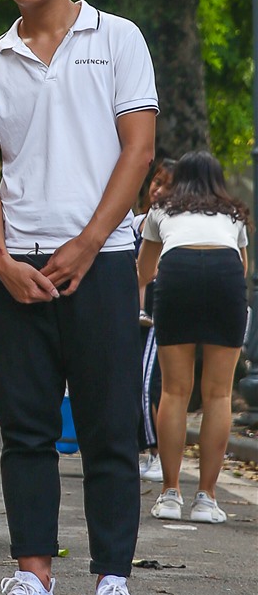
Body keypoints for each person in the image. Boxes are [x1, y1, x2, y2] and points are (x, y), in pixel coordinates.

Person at [0, 0, 157, 595]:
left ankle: (114, 587)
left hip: (103, 262)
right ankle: (34, 583)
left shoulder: (120, 40)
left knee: (111, 429)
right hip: (18, 272)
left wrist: (88, 242)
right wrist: (0, 258)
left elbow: (137, 151)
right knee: (27, 431)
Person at [137, 150, 249, 525]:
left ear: (179, 178)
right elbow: (243, 267)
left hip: (178, 274)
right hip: (225, 277)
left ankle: (170, 493)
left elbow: (146, 271)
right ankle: (207, 497)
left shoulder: (161, 211)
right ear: (217, 181)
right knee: (219, 393)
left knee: (174, 391)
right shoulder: (233, 214)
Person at [135, 159, 175, 482]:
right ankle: (146, 451)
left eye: (166, 185)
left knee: (152, 386)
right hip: (137, 319)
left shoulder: (173, 227)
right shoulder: (138, 223)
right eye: (155, 181)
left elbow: (149, 275)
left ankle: (159, 454)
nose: (157, 189)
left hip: (160, 318)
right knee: (136, 383)